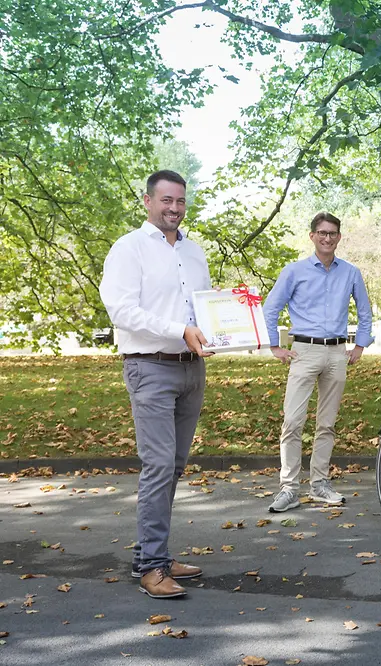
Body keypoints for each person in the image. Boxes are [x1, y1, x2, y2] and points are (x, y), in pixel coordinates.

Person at [99, 170, 213, 599]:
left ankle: (156, 555)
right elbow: (122, 311)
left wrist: (226, 320)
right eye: (166, 200)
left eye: (180, 201)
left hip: (191, 369)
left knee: (176, 466)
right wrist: (178, 329)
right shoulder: (129, 248)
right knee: (159, 465)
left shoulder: (193, 251)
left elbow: (199, 308)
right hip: (149, 367)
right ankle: (150, 566)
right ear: (148, 202)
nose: (174, 208)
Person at [263, 212, 374, 513]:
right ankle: (288, 488)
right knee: (293, 422)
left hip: (337, 353)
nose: (327, 238)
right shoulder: (294, 271)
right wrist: (275, 346)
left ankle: (320, 485)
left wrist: (360, 345)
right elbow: (271, 308)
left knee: (327, 424)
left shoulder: (350, 272)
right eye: (322, 232)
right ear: (312, 236)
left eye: (333, 233)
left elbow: (365, 312)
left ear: (339, 237)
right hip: (303, 351)